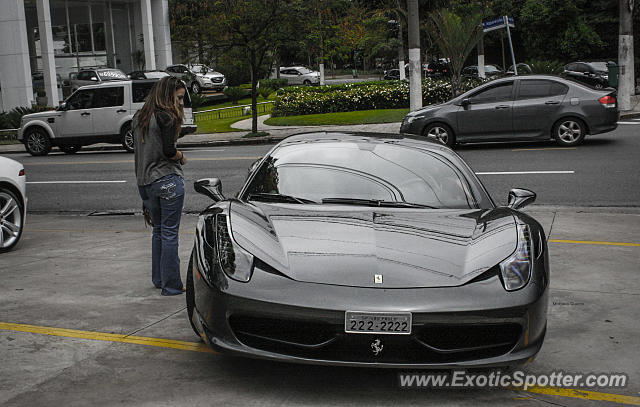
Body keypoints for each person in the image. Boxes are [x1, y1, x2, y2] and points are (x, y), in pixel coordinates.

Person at [133, 77, 188, 296]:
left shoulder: (139, 118)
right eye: (180, 97)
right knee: (170, 233)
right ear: (168, 95)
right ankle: (172, 285)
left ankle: (159, 279)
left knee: (158, 231)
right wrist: (182, 157)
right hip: (167, 180)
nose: (182, 103)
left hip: (145, 183)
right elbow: (168, 151)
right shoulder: (168, 116)